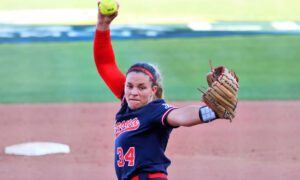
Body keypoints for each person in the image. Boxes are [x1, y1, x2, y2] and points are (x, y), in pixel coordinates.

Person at [93, 3, 231, 180]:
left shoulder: (156, 110)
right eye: (129, 86)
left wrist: (211, 111)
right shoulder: (126, 103)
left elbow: (181, 116)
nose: (133, 92)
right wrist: (102, 25)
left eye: (141, 87)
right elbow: (106, 65)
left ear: (153, 90)